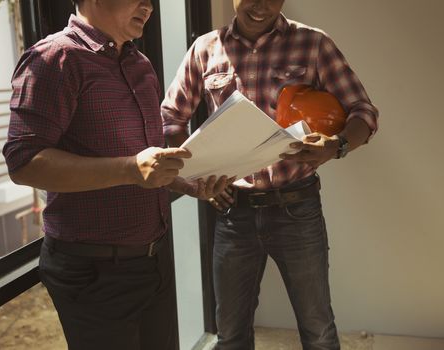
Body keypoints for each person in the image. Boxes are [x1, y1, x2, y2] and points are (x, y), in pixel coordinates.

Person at [2, 0, 228, 349]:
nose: (148, 7)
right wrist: (130, 170)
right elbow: (23, 161)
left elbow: (147, 164)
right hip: (93, 271)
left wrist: (189, 183)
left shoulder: (140, 64)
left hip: (153, 260)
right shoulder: (54, 58)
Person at [161, 0, 379, 348]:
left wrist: (335, 146)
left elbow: (363, 111)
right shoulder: (205, 48)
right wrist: (196, 177)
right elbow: (171, 117)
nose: (261, 5)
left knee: (318, 330)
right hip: (234, 212)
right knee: (230, 334)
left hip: (297, 208)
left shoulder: (313, 44)